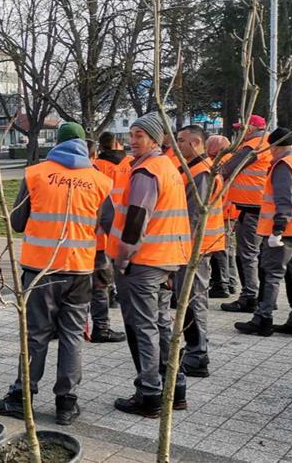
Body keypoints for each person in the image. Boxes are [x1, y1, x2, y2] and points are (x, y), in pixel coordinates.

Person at [0, 123, 111, 426]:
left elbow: (17, 222)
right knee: (72, 335)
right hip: (80, 270)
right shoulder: (100, 181)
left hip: (40, 269)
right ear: (84, 145)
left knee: (36, 334)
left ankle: (22, 397)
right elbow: (107, 225)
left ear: (56, 143)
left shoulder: (36, 174)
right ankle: (66, 404)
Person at [106, 112, 191, 417]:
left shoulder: (146, 172)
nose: (132, 141)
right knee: (161, 324)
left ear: (155, 139)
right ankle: (175, 389)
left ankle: (149, 394)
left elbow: (136, 221)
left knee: (143, 328)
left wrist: (122, 259)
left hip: (143, 261)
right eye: (131, 135)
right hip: (167, 259)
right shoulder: (167, 167)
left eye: (139, 135)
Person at [235, 127, 292, 337]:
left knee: (271, 274)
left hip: (284, 232)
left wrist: (278, 229)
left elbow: (284, 199)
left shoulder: (284, 165)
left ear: (274, 146)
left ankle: (262, 319)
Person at [173, 125, 225, 378]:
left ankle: (198, 353)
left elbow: (194, 215)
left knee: (193, 300)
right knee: (189, 299)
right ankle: (195, 347)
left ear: (195, 142)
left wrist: (182, 248)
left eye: (181, 140)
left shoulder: (202, 173)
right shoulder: (196, 168)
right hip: (193, 245)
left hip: (196, 248)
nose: (177, 145)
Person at [221, 115, 272, 313]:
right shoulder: (267, 142)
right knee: (260, 255)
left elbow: (228, 168)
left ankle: (250, 297)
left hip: (253, 208)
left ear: (250, 128)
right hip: (260, 207)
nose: (238, 132)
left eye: (241, 128)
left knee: (248, 255)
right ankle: (265, 297)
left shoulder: (253, 145)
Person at [87, 135, 127, 343]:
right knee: (100, 285)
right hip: (102, 239)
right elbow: (108, 215)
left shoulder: (45, 175)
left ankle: (61, 326)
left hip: (64, 245)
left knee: (67, 286)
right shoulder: (129, 164)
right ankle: (101, 327)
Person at [206, 135, 240, 298]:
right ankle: (230, 282)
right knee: (228, 249)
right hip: (230, 211)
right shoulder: (232, 160)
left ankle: (223, 284)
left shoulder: (220, 164)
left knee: (221, 250)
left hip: (223, 213)